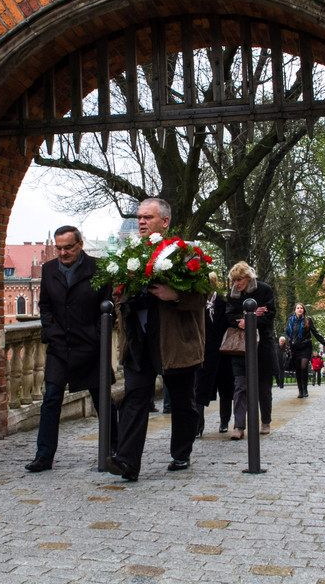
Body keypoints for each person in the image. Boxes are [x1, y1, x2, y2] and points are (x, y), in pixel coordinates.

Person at [107, 199, 206, 481]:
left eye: (147, 217)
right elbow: (118, 293)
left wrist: (174, 295)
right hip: (139, 340)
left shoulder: (185, 253)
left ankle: (181, 453)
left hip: (175, 341)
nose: (141, 222)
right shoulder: (128, 255)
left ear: (164, 221)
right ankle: (127, 462)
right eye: (139, 217)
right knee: (135, 396)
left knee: (182, 400)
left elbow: (203, 296)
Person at [25, 226, 117, 473]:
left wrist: (97, 336)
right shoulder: (49, 270)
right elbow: (44, 306)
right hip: (59, 346)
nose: (63, 253)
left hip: (90, 346)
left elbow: (108, 308)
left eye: (68, 247)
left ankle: (115, 449)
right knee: (51, 399)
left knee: (103, 400)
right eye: (59, 248)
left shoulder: (99, 269)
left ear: (80, 245)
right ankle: (43, 456)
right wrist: (52, 331)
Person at [225, 261, 277, 439]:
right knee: (240, 385)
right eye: (234, 281)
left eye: (239, 280)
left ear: (248, 278)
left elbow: (270, 313)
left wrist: (253, 319)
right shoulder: (233, 294)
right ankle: (238, 425)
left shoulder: (264, 290)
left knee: (263, 386)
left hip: (263, 345)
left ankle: (265, 421)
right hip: (240, 347)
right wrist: (243, 320)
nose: (236, 284)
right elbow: (229, 315)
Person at [194, 272, 234, 436]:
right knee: (200, 390)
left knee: (226, 389)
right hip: (204, 352)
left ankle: (224, 422)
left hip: (223, 352)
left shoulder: (223, 302)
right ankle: (198, 426)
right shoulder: (197, 303)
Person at [284, 303, 325, 398]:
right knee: (298, 369)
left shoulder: (308, 320)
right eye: (298, 308)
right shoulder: (290, 320)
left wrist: (324, 343)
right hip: (294, 348)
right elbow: (286, 332)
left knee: (303, 367)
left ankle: (305, 389)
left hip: (305, 347)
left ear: (303, 310)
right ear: (295, 310)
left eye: (301, 308)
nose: (299, 309)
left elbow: (315, 333)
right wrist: (286, 339)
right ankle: (300, 390)